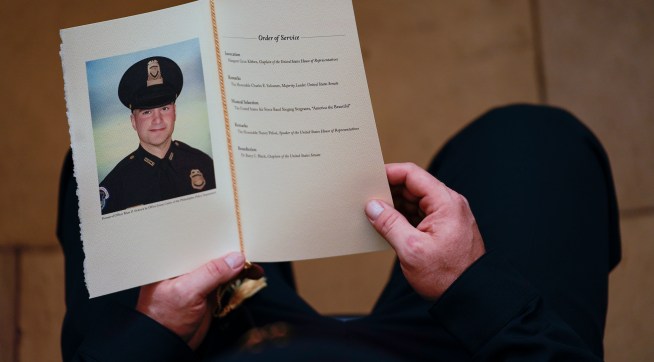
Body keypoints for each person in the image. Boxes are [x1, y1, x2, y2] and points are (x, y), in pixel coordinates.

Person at [58, 104, 621, 360]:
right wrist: (473, 287)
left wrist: (154, 335)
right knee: (536, 142)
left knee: (92, 178)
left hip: (217, 348)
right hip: (459, 350)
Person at [99, 56, 216, 214]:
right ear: (133, 121)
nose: (158, 120)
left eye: (164, 108)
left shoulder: (204, 164)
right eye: (147, 112)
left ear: (174, 112)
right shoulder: (116, 185)